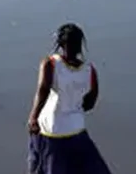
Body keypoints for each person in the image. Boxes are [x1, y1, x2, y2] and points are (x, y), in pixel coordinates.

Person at [26, 23, 111, 174]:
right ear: (80, 45)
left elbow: (43, 90)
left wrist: (33, 117)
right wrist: (74, 108)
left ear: (60, 44)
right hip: (77, 130)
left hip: (51, 131)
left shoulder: (50, 63)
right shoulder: (89, 70)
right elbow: (90, 102)